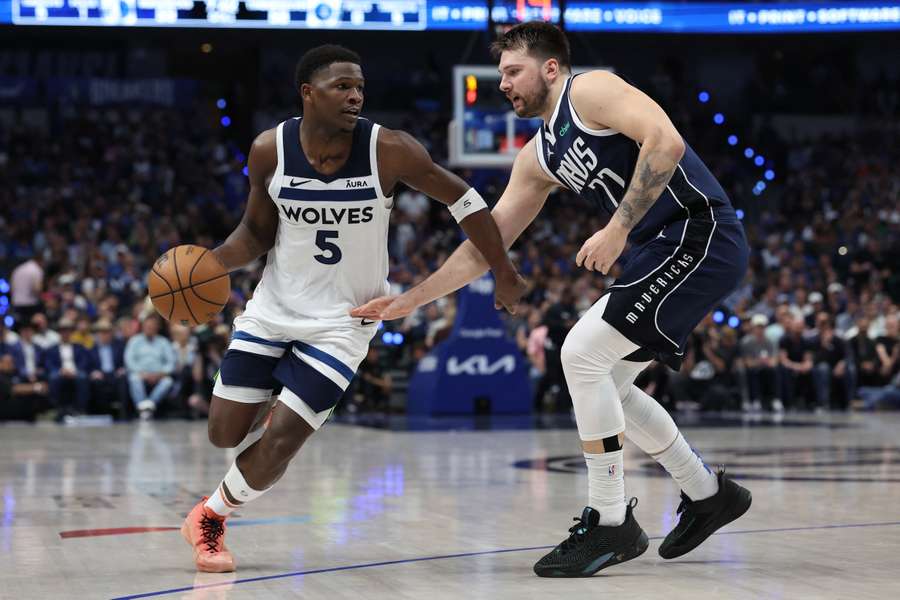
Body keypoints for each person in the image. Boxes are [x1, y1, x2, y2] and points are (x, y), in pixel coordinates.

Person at [353, 22, 752, 577]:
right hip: (661, 246)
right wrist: (409, 300)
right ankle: (708, 493)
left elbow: (667, 142)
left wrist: (616, 228)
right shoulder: (538, 155)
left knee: (580, 353)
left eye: (512, 71)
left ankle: (611, 520)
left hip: (698, 231)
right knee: (608, 383)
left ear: (549, 68)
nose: (503, 84)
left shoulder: (589, 91)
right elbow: (484, 247)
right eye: (500, 75)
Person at [180, 44, 527, 572]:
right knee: (223, 433)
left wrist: (503, 270)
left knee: (280, 443)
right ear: (308, 93)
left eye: (359, 86)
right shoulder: (268, 150)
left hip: (346, 322)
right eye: (342, 86)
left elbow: (465, 199)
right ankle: (281, 392)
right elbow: (254, 233)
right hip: (273, 310)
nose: (355, 95)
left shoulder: (389, 149)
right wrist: (207, 265)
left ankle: (211, 516)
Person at [124, 314, 176, 421]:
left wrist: (161, 373)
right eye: (147, 326)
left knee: (168, 381)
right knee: (134, 378)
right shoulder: (134, 341)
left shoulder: (164, 342)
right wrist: (143, 374)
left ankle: (148, 406)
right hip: (140, 373)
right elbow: (129, 361)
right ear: (143, 327)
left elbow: (171, 362)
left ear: (157, 328)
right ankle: (144, 408)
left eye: (152, 327)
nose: (150, 329)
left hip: (159, 375)